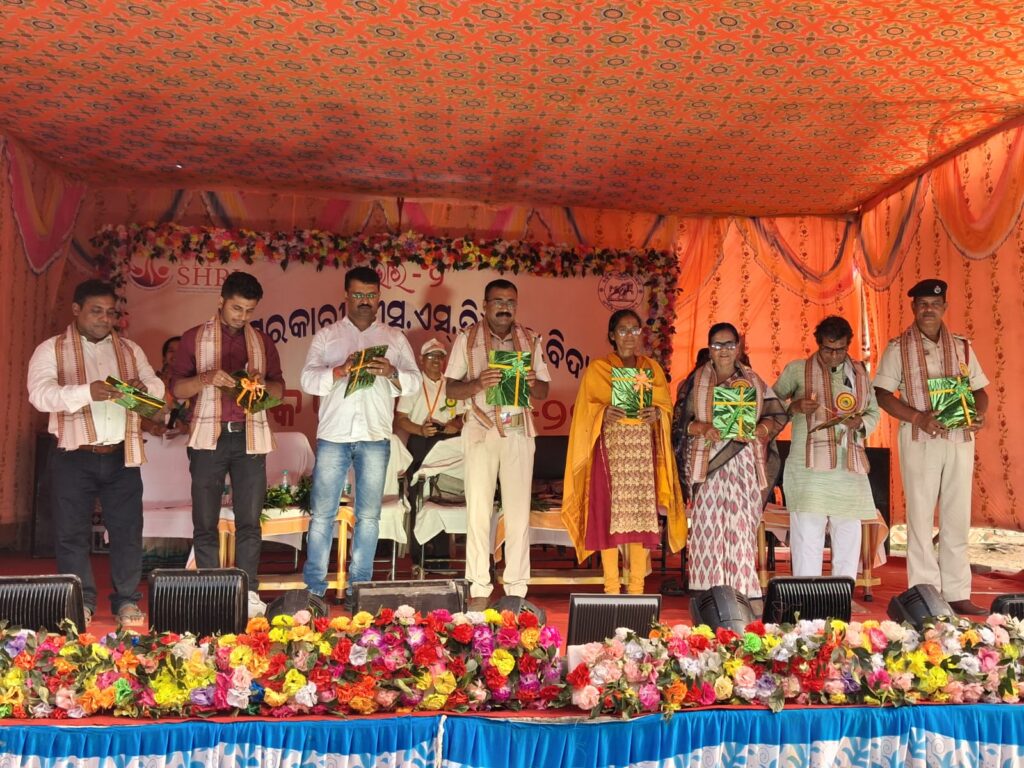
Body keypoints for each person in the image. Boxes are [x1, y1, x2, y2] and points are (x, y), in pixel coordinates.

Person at [27, 279, 164, 627]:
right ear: (76, 310)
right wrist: (87, 392)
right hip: (73, 455)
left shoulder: (130, 350)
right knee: (71, 534)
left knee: (127, 532)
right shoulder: (51, 349)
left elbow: (156, 386)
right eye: (96, 311)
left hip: (121, 455)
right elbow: (40, 395)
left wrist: (144, 388)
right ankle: (81, 603)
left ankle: (127, 601)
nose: (105, 319)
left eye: (111, 313)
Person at [300, 266, 420, 609]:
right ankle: (314, 589)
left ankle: (360, 588)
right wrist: (339, 371)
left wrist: (392, 372)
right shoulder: (328, 336)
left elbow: (414, 381)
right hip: (334, 436)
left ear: (379, 296)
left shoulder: (394, 338)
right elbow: (307, 380)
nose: (365, 301)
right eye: (358, 295)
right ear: (346, 296)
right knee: (322, 515)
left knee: (368, 517)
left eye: (370, 295)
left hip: (375, 436)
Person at [171, 271, 284, 617]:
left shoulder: (262, 342)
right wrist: (205, 379)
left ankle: (248, 593)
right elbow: (176, 389)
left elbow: (279, 390)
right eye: (237, 308)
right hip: (209, 437)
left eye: (249, 310)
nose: (242, 316)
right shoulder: (193, 338)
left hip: (249, 437)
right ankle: (211, 592)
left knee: (249, 521)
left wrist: (262, 387)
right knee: (205, 521)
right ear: (221, 300)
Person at [874, 278, 989, 615]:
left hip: (959, 440)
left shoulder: (962, 346)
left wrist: (978, 415)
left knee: (957, 514)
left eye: (935, 304)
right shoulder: (898, 348)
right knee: (921, 516)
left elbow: (979, 390)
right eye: (922, 304)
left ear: (944, 307)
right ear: (913, 308)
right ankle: (925, 594)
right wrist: (917, 417)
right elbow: (882, 394)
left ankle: (956, 591)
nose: (928, 310)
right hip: (920, 440)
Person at [561, 310, 686, 595]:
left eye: (634, 330)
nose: (629, 336)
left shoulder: (651, 369)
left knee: (640, 520)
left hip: (642, 458)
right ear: (612, 335)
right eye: (623, 330)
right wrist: (603, 414)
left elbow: (666, 408)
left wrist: (657, 414)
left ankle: (637, 589)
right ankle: (611, 588)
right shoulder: (598, 369)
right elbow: (585, 413)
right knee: (608, 520)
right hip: (608, 457)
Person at [445, 278, 551, 610]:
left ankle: (516, 586)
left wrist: (532, 383)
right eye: (498, 301)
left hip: (518, 430)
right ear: (485, 305)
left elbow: (544, 390)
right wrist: (478, 383)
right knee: (478, 511)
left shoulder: (530, 339)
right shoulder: (467, 338)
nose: (505, 308)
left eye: (510, 302)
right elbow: (450, 388)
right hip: (480, 429)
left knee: (518, 513)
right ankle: (479, 585)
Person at [672, 322, 787, 599]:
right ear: (709, 349)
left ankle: (741, 594)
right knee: (707, 531)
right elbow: (677, 424)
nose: (723, 351)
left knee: (741, 529)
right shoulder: (695, 382)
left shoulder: (753, 381)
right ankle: (707, 596)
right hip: (707, 466)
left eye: (729, 345)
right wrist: (702, 428)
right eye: (717, 345)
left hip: (743, 465)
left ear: (738, 348)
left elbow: (776, 415)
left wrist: (760, 430)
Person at [773, 316, 880, 583]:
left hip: (849, 469)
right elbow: (769, 406)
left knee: (848, 538)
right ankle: (806, 599)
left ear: (848, 345)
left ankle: (840, 598)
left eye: (840, 350)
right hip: (808, 471)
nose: (834, 356)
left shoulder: (859, 373)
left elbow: (873, 412)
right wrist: (794, 407)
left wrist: (860, 422)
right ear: (818, 343)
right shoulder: (797, 370)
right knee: (807, 539)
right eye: (828, 349)